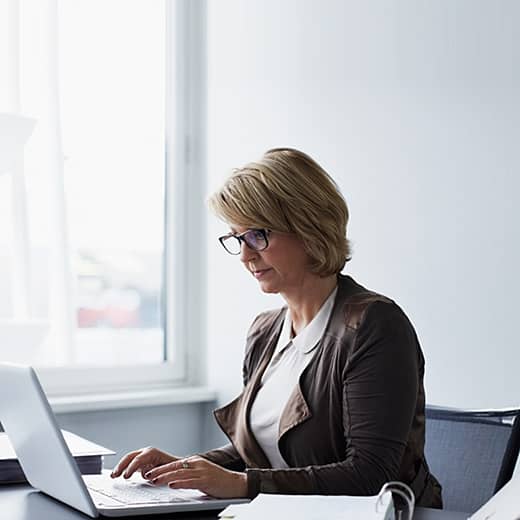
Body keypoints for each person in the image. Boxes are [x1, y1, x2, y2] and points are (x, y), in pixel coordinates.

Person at [111, 147, 443, 508]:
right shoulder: (265, 331)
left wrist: (242, 484)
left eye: (257, 235)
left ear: (308, 227)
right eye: (237, 238)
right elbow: (258, 452)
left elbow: (370, 475)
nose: (245, 255)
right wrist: (187, 467)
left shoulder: (374, 324)